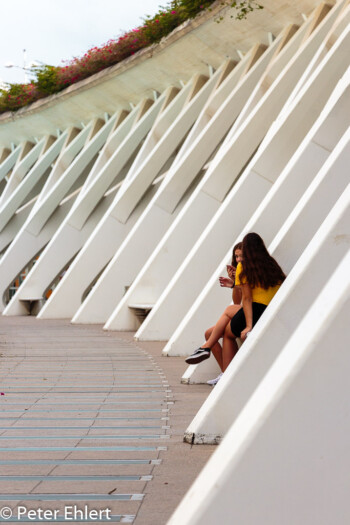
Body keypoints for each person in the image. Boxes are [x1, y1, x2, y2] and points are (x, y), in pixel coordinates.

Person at [185, 233, 286, 384]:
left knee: (228, 328)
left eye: (241, 255)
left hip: (255, 311)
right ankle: (211, 355)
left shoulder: (244, 268)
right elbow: (240, 299)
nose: (238, 259)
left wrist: (249, 326)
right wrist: (234, 283)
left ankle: (218, 364)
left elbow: (246, 299)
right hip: (268, 310)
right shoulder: (272, 265)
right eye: (236, 256)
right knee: (210, 332)